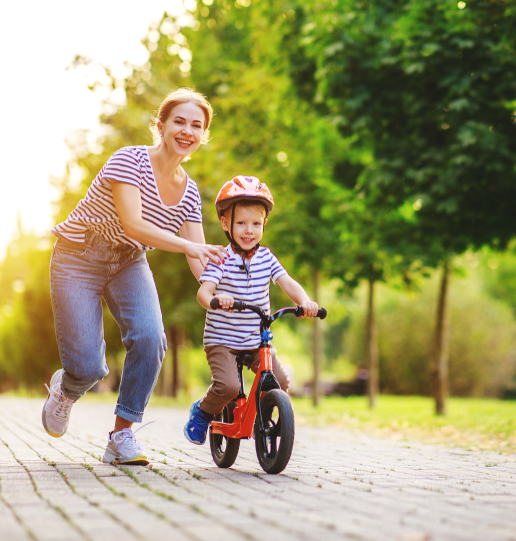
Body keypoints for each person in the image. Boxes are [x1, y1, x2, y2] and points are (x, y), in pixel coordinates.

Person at [42, 88, 227, 465]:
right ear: (160, 126)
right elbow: (134, 224)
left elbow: (200, 258)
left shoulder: (189, 192)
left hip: (128, 262)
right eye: (179, 121)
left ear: (203, 135)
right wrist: (190, 248)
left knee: (151, 339)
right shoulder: (129, 160)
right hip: (78, 255)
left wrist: (222, 288)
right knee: (89, 367)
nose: (187, 131)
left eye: (197, 125)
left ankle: (121, 434)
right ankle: (67, 388)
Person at [183, 176, 319, 444]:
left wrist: (306, 302)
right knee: (228, 387)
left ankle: (268, 420)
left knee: (280, 380)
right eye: (241, 223)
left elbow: (287, 282)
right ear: (226, 224)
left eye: (256, 224)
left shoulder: (267, 258)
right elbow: (203, 292)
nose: (249, 230)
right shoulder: (220, 258)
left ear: (264, 224)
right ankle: (202, 411)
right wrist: (215, 297)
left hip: (256, 340)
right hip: (222, 341)